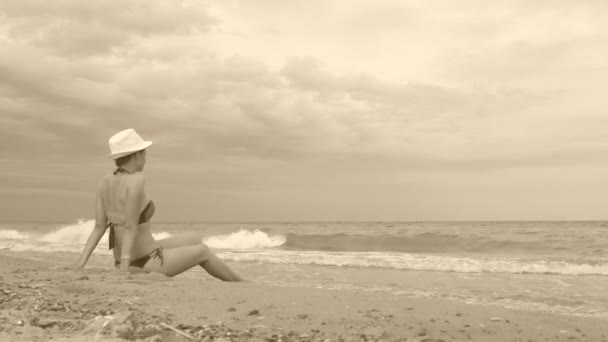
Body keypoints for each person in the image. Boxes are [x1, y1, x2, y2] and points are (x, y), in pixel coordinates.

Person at [75, 128, 243, 281]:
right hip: (144, 262)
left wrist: (79, 265)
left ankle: (239, 280)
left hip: (134, 256)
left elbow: (99, 227)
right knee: (203, 251)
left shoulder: (105, 181)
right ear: (136, 155)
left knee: (194, 238)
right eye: (144, 153)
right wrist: (125, 270)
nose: (146, 158)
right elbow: (130, 227)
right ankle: (244, 284)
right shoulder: (136, 181)